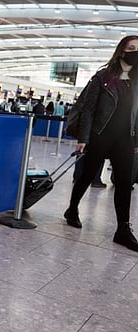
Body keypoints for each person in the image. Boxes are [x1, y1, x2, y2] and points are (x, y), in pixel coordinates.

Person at [63, 35, 138, 252]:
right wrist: (83, 139)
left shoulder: (136, 81)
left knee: (125, 182)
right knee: (87, 176)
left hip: (124, 139)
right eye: (132, 48)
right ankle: (72, 209)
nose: (135, 52)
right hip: (99, 135)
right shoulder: (102, 77)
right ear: (122, 51)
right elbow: (88, 110)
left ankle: (123, 229)